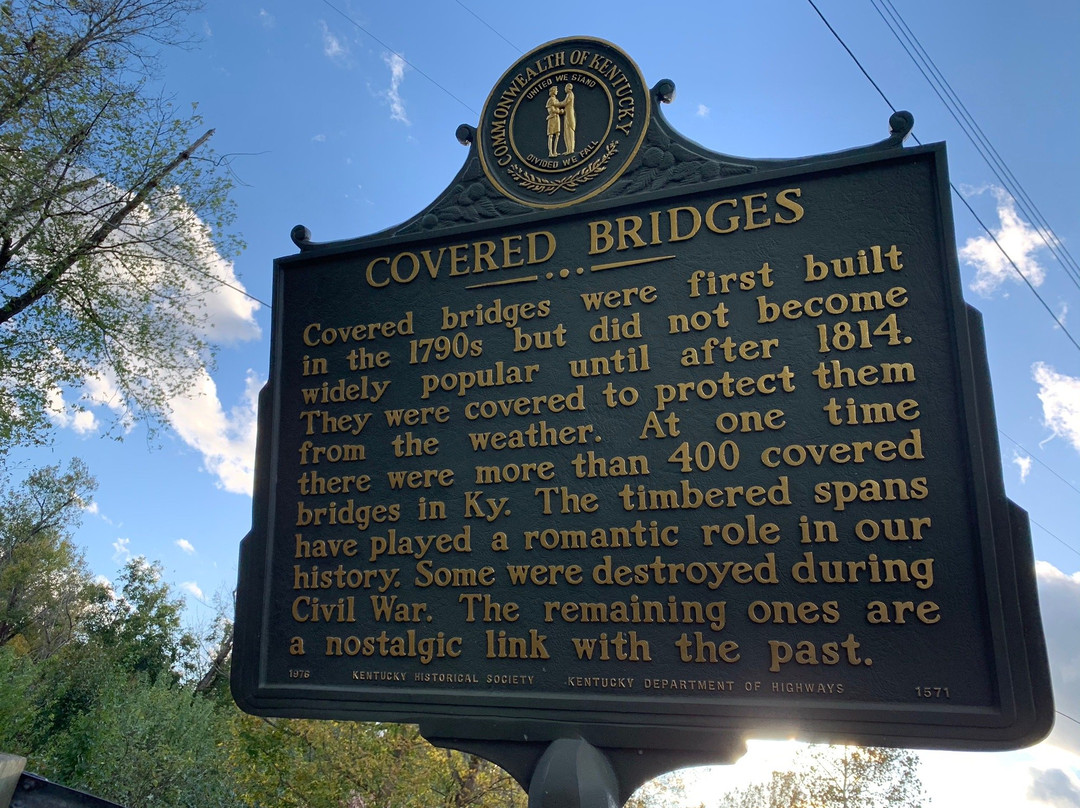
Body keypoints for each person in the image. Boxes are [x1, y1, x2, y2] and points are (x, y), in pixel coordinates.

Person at [545, 86, 562, 157]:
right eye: (556, 90)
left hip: (557, 118)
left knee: (557, 134)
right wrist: (559, 111)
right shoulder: (550, 100)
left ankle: (555, 151)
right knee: (551, 135)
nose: (557, 91)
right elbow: (551, 110)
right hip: (552, 118)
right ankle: (550, 153)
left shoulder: (556, 100)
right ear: (553, 91)